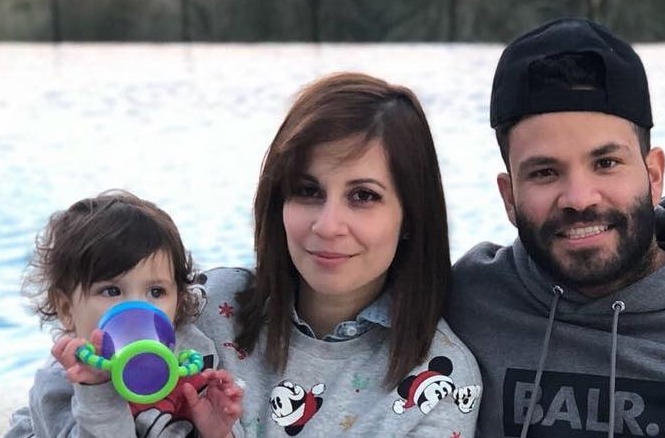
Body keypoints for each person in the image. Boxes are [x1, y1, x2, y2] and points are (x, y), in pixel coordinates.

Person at [445, 17, 665, 438]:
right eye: (545, 172)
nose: (580, 198)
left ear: (654, 175)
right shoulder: (465, 300)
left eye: (606, 163)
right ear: (509, 196)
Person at [194, 72, 482, 437]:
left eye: (363, 196)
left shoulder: (442, 380)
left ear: (411, 215)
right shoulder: (205, 308)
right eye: (307, 190)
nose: (328, 226)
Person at [4, 190, 244, 438]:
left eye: (156, 291)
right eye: (111, 291)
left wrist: (218, 432)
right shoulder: (62, 381)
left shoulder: (192, 356)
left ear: (179, 300)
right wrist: (97, 391)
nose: (137, 308)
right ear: (66, 309)